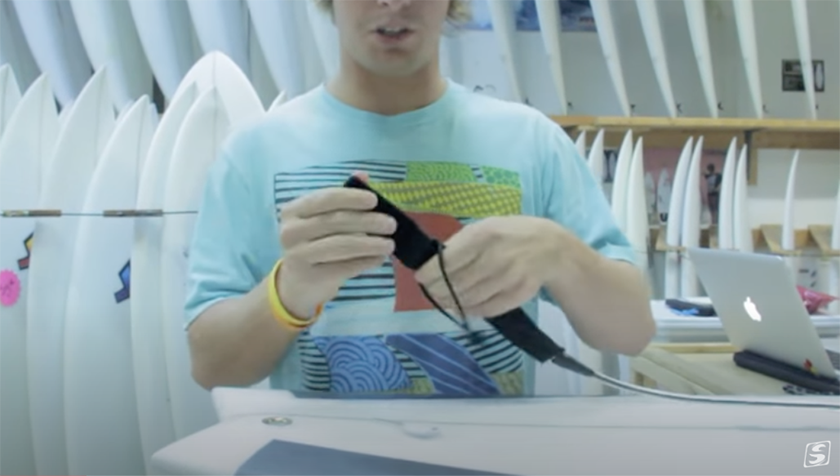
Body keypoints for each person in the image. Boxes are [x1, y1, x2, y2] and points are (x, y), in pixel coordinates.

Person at [184, 0, 655, 397]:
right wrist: (290, 290)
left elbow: (631, 334)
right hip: (321, 459)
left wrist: (560, 252)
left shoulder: (533, 142)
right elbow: (213, 368)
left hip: (493, 460)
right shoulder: (253, 153)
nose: (394, 1)